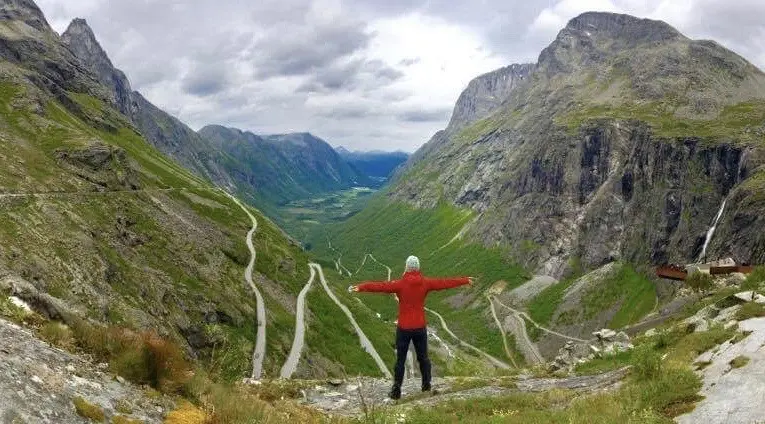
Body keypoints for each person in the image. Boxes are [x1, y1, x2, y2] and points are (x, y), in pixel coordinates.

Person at [349, 255, 472, 400]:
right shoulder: (426, 283)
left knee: (400, 360)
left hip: (404, 328)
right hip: (420, 327)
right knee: (423, 358)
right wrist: (465, 280)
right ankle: (426, 385)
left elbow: (381, 286)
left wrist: (362, 287)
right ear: (418, 268)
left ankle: (396, 391)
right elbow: (444, 282)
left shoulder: (400, 284)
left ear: (406, 267)